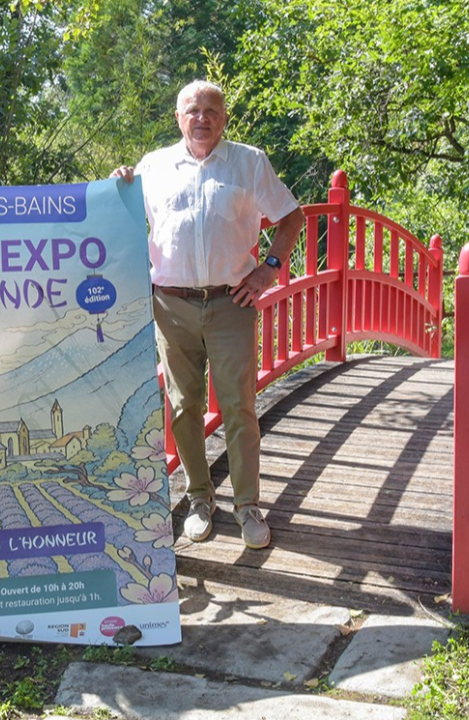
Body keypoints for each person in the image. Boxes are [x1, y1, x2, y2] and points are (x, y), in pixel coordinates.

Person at [111, 80, 304, 549]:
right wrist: (117, 186)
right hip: (170, 303)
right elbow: (120, 218)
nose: (202, 118)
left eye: (212, 110)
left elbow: (291, 217)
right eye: (193, 110)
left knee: (238, 405)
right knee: (183, 406)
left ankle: (247, 507)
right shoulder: (154, 166)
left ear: (224, 117)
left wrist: (269, 269)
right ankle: (200, 500)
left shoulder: (249, 161)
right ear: (178, 117)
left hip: (229, 302)